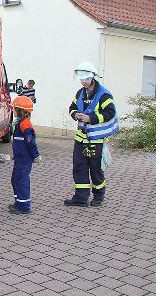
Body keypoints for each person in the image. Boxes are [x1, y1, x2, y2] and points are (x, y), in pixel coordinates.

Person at [65, 61, 119, 207]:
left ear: (92, 77)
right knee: (79, 167)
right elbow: (72, 107)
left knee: (96, 169)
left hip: (96, 140)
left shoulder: (104, 95)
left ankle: (99, 196)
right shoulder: (80, 93)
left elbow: (110, 113)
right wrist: (75, 114)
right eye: (81, 79)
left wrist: (91, 118)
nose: (83, 82)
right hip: (81, 139)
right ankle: (81, 198)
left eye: (86, 79)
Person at [9, 96, 42, 215]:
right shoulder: (20, 122)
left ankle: (24, 206)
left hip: (24, 159)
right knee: (15, 179)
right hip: (19, 157)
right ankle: (19, 202)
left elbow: (30, 142)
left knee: (21, 180)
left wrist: (36, 155)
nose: (12, 110)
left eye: (14, 108)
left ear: (20, 110)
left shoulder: (25, 124)